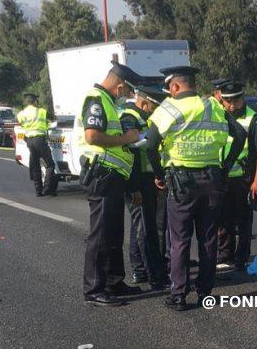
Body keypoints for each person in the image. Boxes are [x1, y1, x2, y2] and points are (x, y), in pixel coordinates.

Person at [145, 66, 247, 311]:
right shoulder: (212, 106)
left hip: (181, 183)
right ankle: (205, 292)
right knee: (208, 238)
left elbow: (150, 144)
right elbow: (240, 134)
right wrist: (224, 167)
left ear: (174, 86)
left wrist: (159, 175)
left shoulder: (168, 108)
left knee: (179, 240)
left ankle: (178, 294)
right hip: (212, 180)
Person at [80, 62, 146, 306]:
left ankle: (114, 283)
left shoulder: (109, 102)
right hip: (102, 177)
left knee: (114, 233)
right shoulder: (96, 99)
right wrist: (125, 139)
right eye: (128, 92)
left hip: (115, 178)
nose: (128, 97)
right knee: (100, 236)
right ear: (120, 87)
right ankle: (93, 289)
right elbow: (92, 136)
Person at [211, 78, 257, 272]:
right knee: (223, 219)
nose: (232, 105)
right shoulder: (220, 115)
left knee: (243, 220)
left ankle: (241, 258)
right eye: (228, 101)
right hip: (222, 176)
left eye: (236, 100)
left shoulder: (253, 119)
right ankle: (224, 256)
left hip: (243, 178)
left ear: (242, 98)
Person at [119, 83, 169, 291]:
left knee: (142, 225)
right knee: (145, 229)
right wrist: (134, 187)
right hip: (136, 179)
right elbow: (132, 151)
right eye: (154, 106)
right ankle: (153, 275)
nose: (156, 110)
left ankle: (140, 270)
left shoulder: (143, 118)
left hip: (146, 178)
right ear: (144, 101)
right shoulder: (129, 118)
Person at [16, 93, 57, 197]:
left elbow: (20, 124)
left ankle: (38, 191)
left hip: (29, 140)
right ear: (34, 101)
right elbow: (53, 119)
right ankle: (47, 188)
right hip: (40, 139)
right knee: (50, 165)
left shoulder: (21, 114)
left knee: (35, 166)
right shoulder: (41, 111)